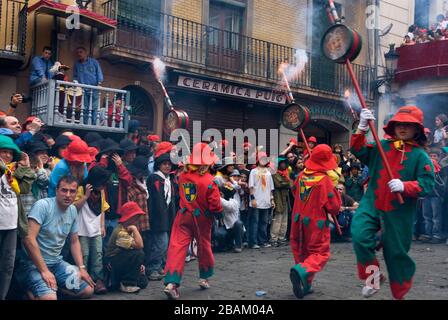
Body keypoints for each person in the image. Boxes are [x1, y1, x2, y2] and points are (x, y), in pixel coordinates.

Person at [351, 106, 435, 300]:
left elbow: (427, 184)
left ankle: (399, 295)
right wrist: (361, 128)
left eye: (408, 125)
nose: (403, 128)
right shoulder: (382, 146)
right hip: (371, 203)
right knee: (359, 236)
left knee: (396, 255)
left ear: (417, 129)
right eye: (399, 124)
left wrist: (406, 186)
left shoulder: (420, 156)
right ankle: (373, 279)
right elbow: (358, 150)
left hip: (399, 213)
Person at [163, 143, 223, 300]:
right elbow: (216, 206)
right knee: (204, 246)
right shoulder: (210, 181)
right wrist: (217, 214)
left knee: (177, 246)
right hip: (202, 219)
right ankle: (204, 277)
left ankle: (172, 283)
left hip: (183, 215)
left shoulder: (182, 176)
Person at [20, 176, 95, 300]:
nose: (68, 195)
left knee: (88, 290)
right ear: (56, 191)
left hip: (56, 263)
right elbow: (28, 239)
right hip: (33, 264)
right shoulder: (43, 206)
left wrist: (81, 268)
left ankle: (53, 291)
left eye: (72, 191)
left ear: (76, 193)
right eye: (64, 190)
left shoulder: (72, 211)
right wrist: (44, 270)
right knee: (49, 298)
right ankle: (30, 292)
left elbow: (74, 241)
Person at [289, 144, 341, 299]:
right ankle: (302, 271)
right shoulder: (325, 181)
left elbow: (294, 192)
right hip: (315, 222)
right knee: (320, 253)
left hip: (298, 220)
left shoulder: (300, 176)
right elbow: (334, 208)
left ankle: (305, 284)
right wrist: (335, 187)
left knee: (302, 252)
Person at [0, 135, 36, 300]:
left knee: (7, 266)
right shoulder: (5, 171)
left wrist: (25, 166)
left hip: (12, 226)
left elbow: (24, 188)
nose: (7, 156)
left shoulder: (13, 172)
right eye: (3, 152)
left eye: (10, 153)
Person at [74, 166, 112, 294]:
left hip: (95, 229)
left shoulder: (101, 191)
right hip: (82, 229)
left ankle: (98, 279)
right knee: (84, 255)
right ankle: (84, 280)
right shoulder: (81, 188)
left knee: (98, 255)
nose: (103, 186)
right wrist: (85, 196)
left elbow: (102, 209)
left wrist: (102, 226)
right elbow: (73, 208)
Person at [147, 142, 176, 281]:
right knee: (161, 244)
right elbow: (157, 201)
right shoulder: (155, 178)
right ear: (159, 165)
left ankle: (158, 266)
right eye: (164, 164)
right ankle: (152, 268)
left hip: (166, 217)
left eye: (169, 164)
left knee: (163, 244)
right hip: (158, 218)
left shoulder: (168, 179)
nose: (167, 166)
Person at [105, 202, 148, 293]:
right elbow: (139, 245)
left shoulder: (129, 228)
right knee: (139, 253)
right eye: (136, 216)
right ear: (130, 217)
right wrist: (135, 229)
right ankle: (126, 283)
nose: (137, 219)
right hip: (113, 263)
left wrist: (139, 264)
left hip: (122, 260)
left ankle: (126, 281)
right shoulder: (120, 231)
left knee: (143, 282)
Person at [248, 152, 275, 249]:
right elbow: (250, 186)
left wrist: (272, 200)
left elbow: (271, 188)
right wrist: (252, 198)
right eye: (261, 158)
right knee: (255, 221)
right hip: (256, 200)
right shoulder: (253, 171)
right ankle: (253, 242)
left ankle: (262, 241)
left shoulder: (268, 172)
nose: (263, 160)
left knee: (264, 222)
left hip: (266, 201)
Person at [73, 47, 104, 125]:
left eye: (81, 52)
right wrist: (76, 83)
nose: (79, 54)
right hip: (83, 89)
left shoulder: (94, 62)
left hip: (94, 88)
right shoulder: (77, 64)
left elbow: (99, 73)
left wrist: (99, 83)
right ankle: (85, 123)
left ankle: (93, 123)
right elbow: (75, 76)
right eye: (78, 53)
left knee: (94, 107)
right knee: (85, 107)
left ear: (86, 53)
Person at [420, 149, 445, 244]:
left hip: (436, 196)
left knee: (436, 216)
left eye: (435, 156)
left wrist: (436, 170)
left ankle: (437, 235)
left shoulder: (441, 169)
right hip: (426, 195)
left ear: (438, 158)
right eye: (431, 156)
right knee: (426, 216)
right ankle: (428, 234)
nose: (433, 158)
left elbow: (442, 183)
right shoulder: (425, 167)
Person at [271, 157, 292, 246]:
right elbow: (278, 184)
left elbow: (291, 184)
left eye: (284, 163)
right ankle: (274, 238)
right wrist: (287, 183)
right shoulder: (275, 174)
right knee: (277, 219)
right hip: (278, 198)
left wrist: (287, 183)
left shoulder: (286, 174)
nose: (283, 165)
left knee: (284, 220)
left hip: (285, 199)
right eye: (281, 163)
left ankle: (281, 237)